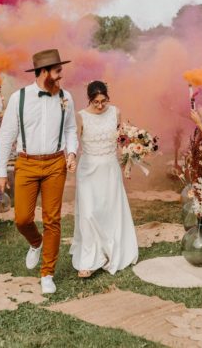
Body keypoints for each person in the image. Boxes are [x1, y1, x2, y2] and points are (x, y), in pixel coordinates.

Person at [0, 49, 78, 294]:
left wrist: (71, 152)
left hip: (55, 164)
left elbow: (71, 130)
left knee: (53, 219)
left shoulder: (66, 98)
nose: (61, 76)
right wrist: (1, 172)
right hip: (26, 163)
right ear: (44, 72)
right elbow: (6, 137)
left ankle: (47, 273)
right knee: (22, 218)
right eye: (57, 71)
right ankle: (35, 242)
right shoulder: (18, 98)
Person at [70, 81, 137, 278]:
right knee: (89, 213)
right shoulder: (81, 116)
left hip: (110, 169)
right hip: (88, 169)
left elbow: (122, 139)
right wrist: (71, 157)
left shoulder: (115, 112)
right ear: (89, 99)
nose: (100, 106)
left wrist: (129, 159)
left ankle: (109, 251)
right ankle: (89, 260)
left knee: (109, 211)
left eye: (103, 101)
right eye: (96, 102)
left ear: (108, 98)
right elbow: (74, 141)